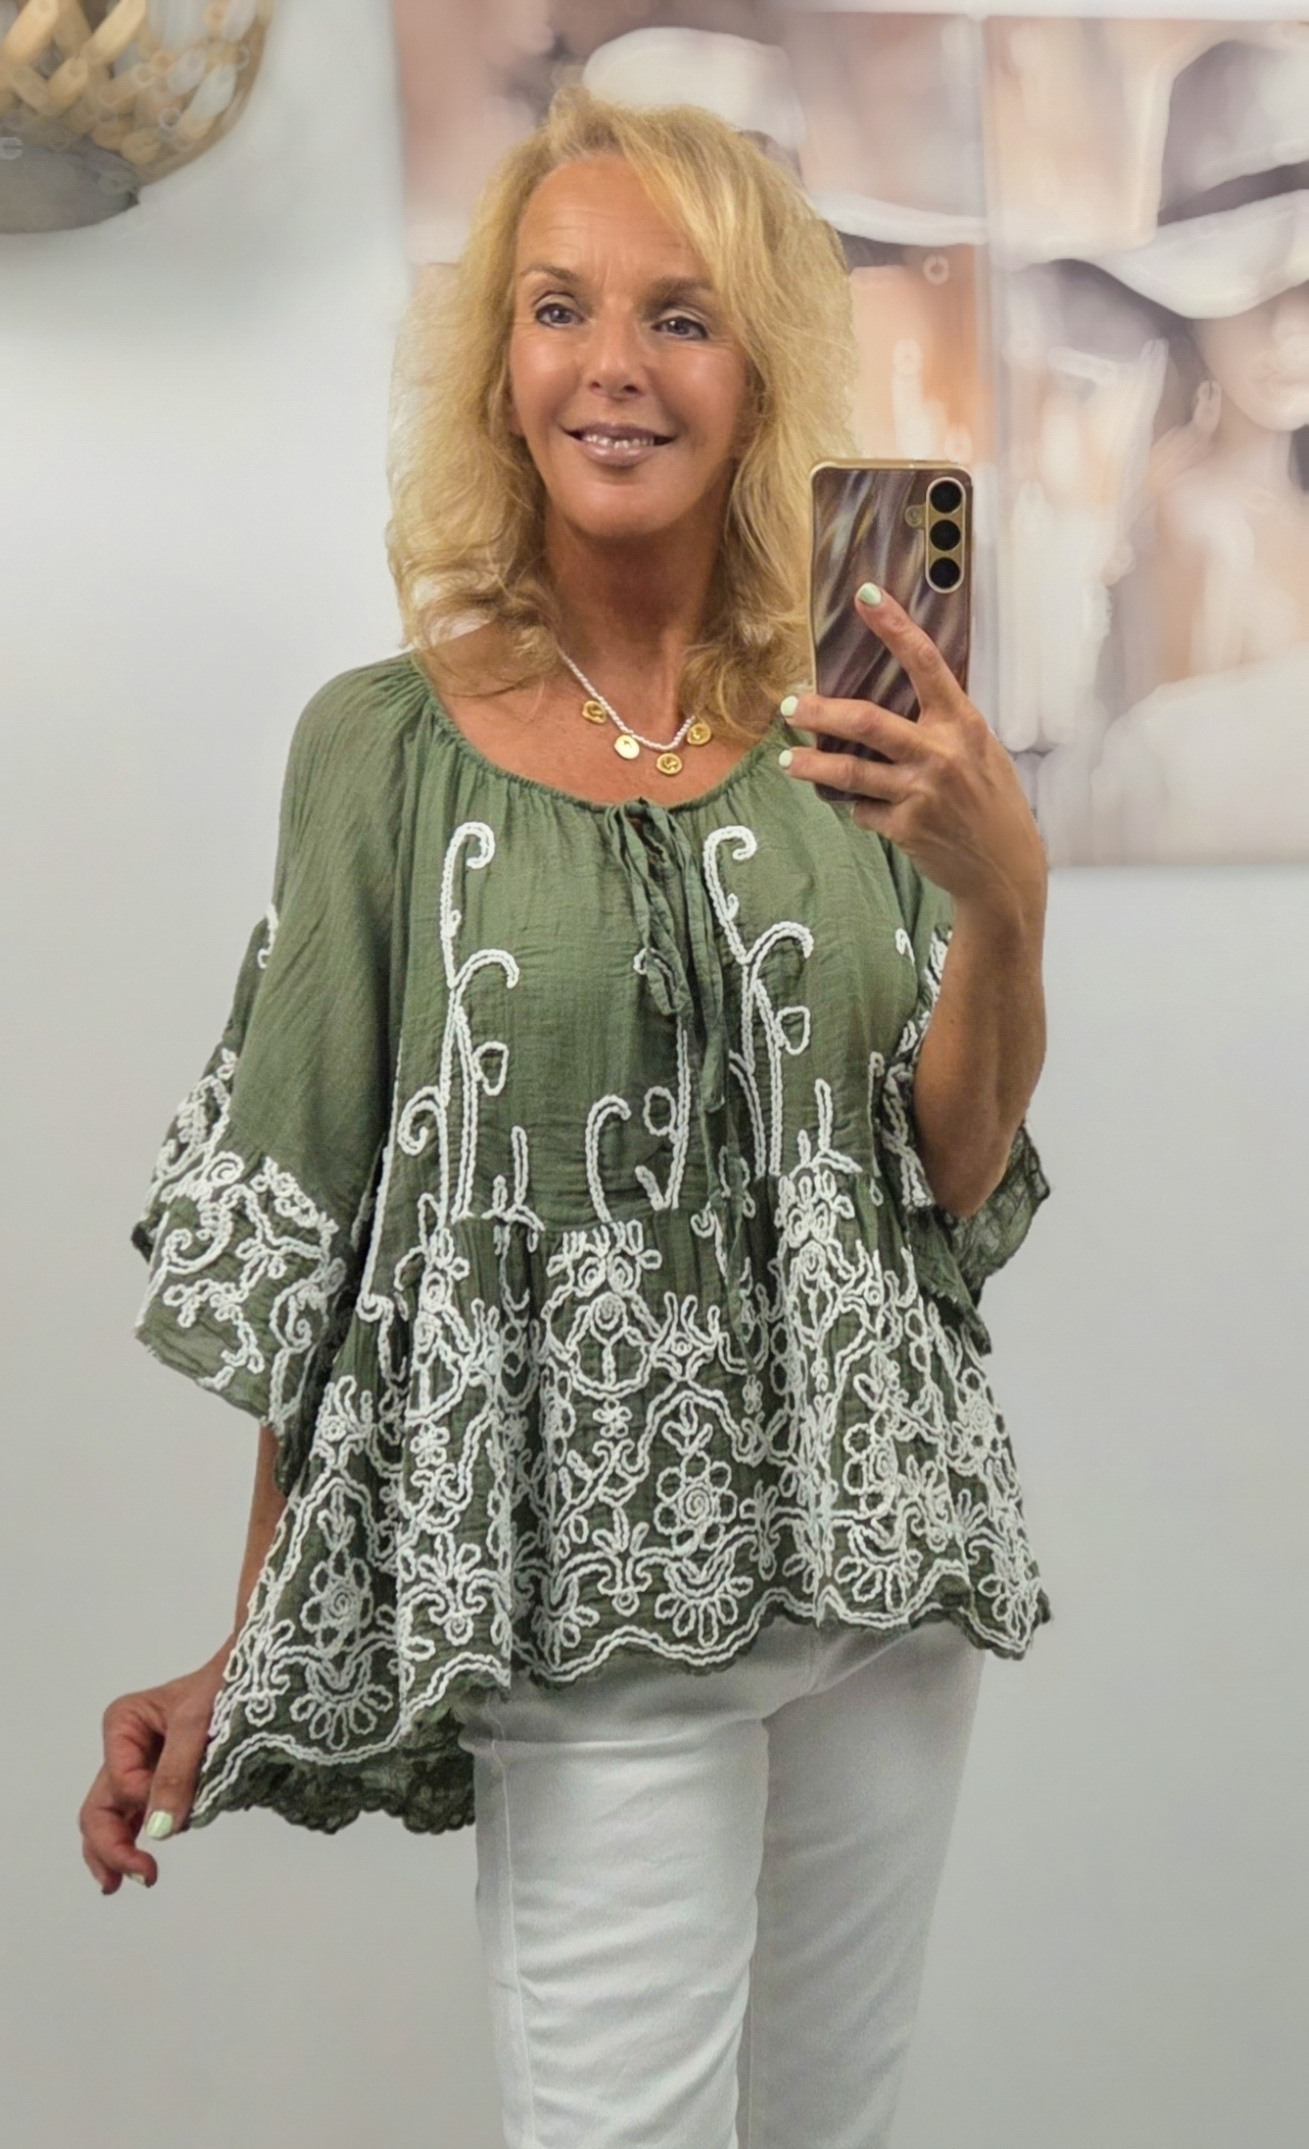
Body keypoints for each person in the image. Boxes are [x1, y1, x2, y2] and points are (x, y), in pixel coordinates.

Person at [79, 89, 1050, 2149]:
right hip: (592, 1602)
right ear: (498, 364)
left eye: (679, 316)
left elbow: (949, 1176)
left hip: (886, 1574)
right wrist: (249, 1643)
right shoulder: (380, 751)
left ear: (757, 371)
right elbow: (323, 1237)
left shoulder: (852, 729)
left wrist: (1006, 900)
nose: (614, 364)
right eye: (559, 308)